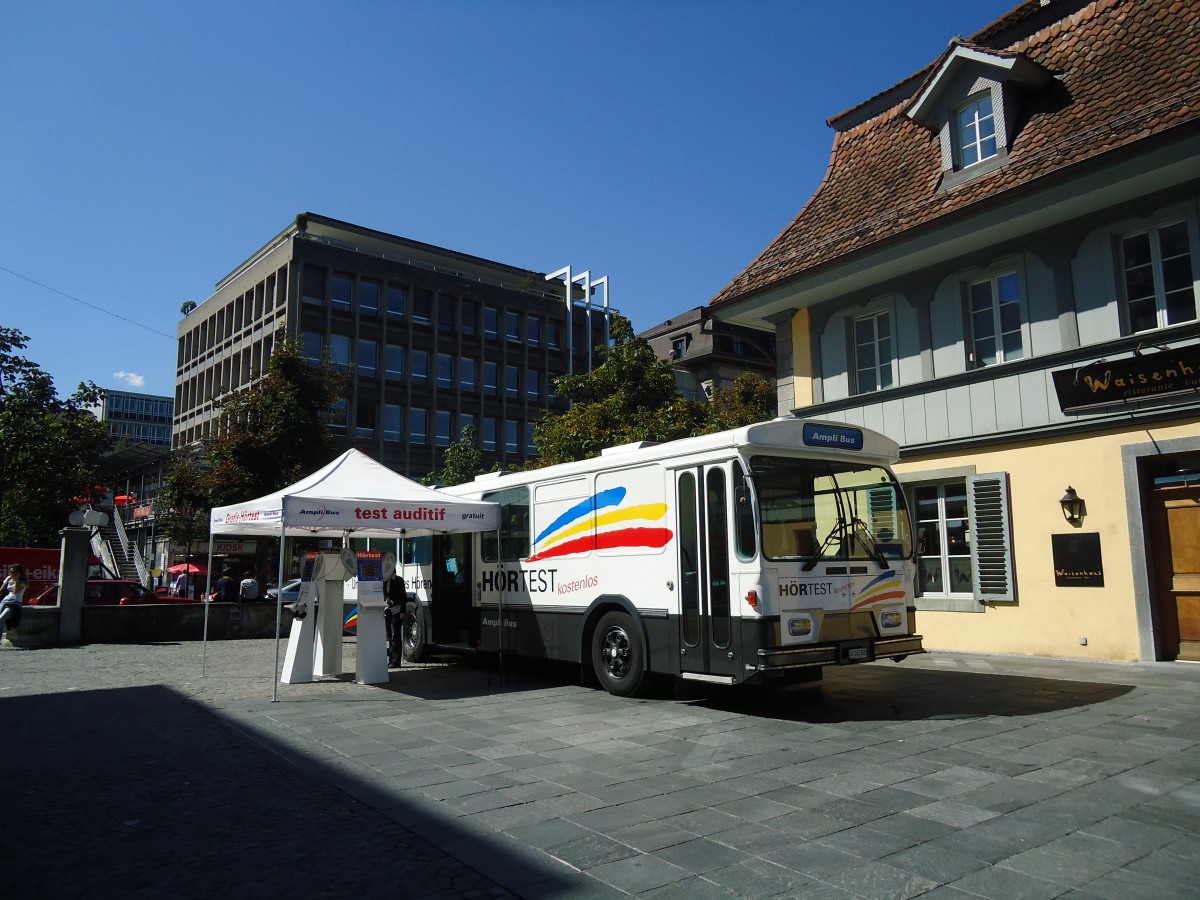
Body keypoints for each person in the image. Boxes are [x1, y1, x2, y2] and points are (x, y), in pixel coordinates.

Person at [383, 570, 407, 667]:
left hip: (397, 610)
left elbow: (403, 596)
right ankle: (391, 659)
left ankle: (396, 661)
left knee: (395, 635)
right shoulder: (384, 581)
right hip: (387, 610)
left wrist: (403, 611)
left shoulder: (398, 580)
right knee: (389, 636)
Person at [0, 563, 28, 645]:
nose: (11, 573)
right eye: (10, 571)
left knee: (1, 618)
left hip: (15, 603)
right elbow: (2, 589)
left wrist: (16, 580)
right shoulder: (9, 578)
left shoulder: (23, 581)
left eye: (13, 571)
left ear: (19, 573)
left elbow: (16, 592)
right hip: (5, 600)